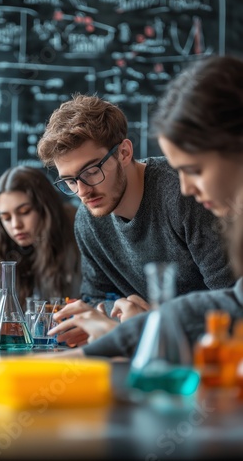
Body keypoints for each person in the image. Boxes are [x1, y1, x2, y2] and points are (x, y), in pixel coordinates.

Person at [44, 54, 243, 358]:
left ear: (124, 152)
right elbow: (98, 299)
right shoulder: (89, 219)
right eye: (70, 180)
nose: (82, 191)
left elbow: (228, 311)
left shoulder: (182, 196)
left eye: (91, 171)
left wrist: (149, 324)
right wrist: (117, 317)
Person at [0, 166, 81, 318]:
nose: (16, 225)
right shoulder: (4, 251)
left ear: (45, 208)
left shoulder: (77, 243)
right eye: (6, 218)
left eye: (25, 212)